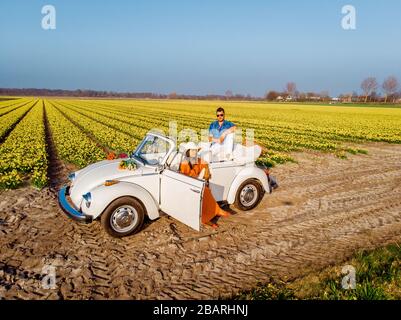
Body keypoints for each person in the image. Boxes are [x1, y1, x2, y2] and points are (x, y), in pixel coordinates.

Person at [179, 142, 230, 228]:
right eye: (192, 151)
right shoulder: (185, 162)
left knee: (207, 191)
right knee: (204, 192)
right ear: (188, 152)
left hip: (197, 183)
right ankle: (206, 219)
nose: (194, 152)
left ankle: (216, 210)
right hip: (188, 184)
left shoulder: (198, 160)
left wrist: (206, 170)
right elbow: (185, 177)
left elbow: (205, 164)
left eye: (195, 150)